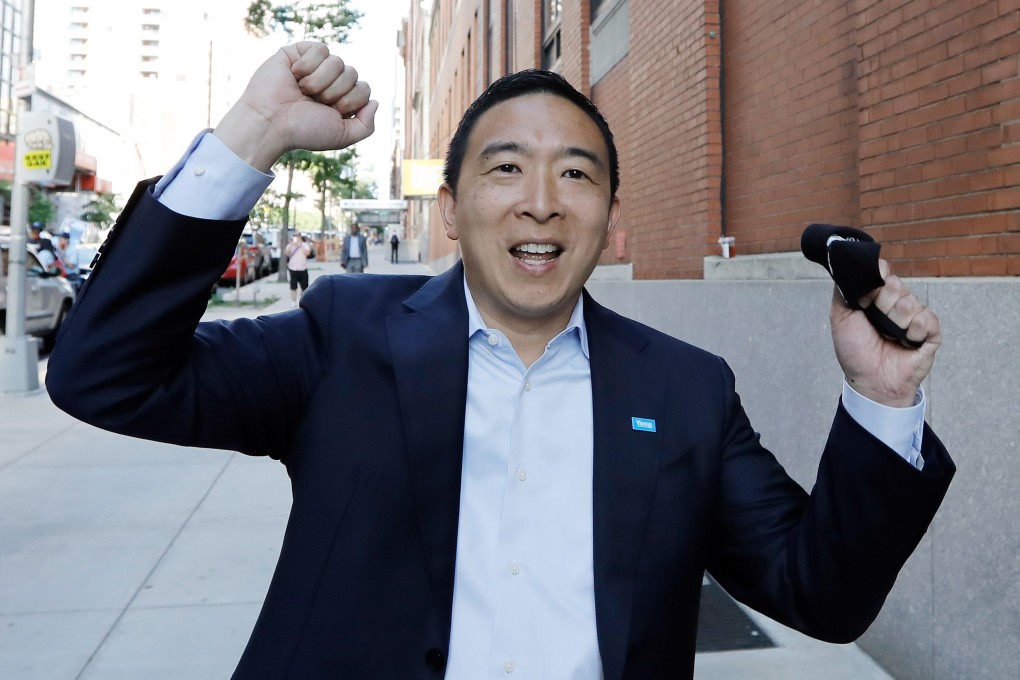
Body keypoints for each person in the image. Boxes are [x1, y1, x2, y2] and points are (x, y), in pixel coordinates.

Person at [46, 42, 954, 679]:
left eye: (576, 174)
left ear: (610, 222)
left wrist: (882, 400)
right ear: (450, 210)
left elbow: (822, 597)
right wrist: (254, 132)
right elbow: (105, 373)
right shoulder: (343, 338)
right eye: (506, 169)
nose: (541, 204)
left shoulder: (686, 390)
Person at [283, 233, 312, 306]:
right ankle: (293, 301)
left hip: (302, 268)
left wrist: (300, 245)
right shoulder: (290, 245)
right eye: (295, 236)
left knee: (304, 286)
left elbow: (307, 253)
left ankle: (303, 299)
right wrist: (292, 244)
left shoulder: (304, 245)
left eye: (298, 236)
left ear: (300, 237)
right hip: (293, 268)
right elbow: (286, 252)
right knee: (293, 286)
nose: (296, 237)